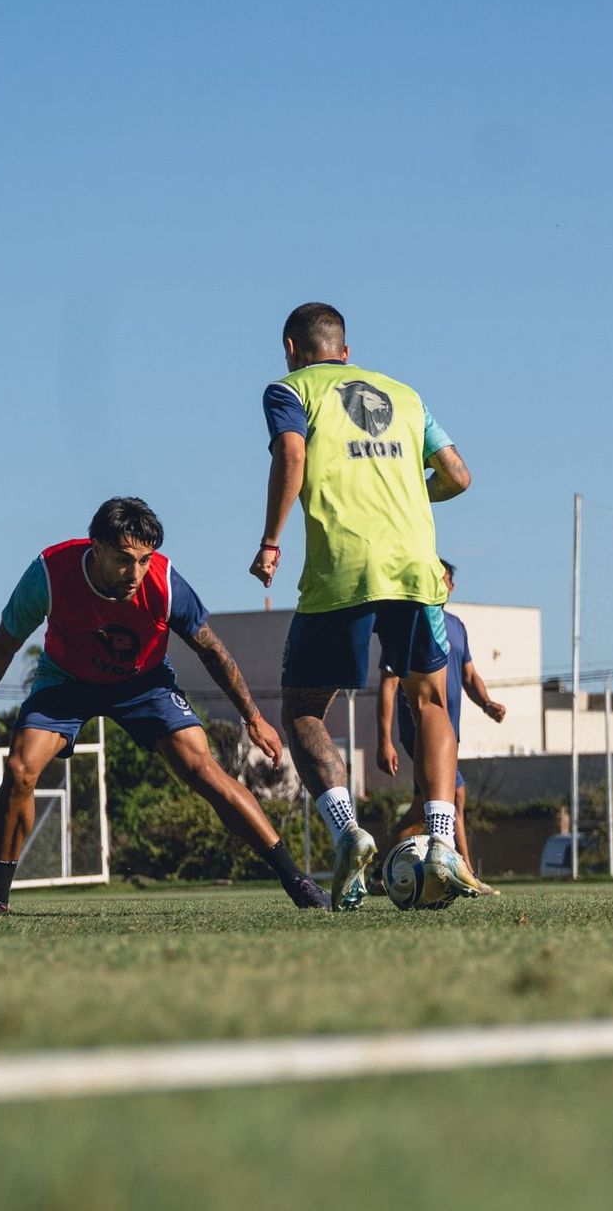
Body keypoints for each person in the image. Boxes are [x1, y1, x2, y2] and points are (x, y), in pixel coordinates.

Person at [0, 497, 329, 913]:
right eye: (123, 560)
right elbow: (1, 648)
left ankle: (299, 883)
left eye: (144, 560)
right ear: (95, 547)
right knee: (20, 768)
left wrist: (253, 717)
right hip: (67, 680)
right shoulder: (49, 574)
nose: (135, 573)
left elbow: (212, 651)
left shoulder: (165, 584)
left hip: (144, 682)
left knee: (202, 769)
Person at [249, 302, 476, 910]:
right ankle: (442, 841)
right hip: (416, 567)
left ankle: (348, 828)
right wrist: (408, 492)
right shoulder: (406, 395)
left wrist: (270, 541)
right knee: (431, 701)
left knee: (303, 710)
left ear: (291, 350)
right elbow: (458, 475)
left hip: (343, 569)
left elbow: (291, 455)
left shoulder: (289, 389)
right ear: (346, 352)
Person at [372, 559, 506, 896]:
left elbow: (470, 676)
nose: (439, 584)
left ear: (451, 586)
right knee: (455, 795)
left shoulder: (457, 626)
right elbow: (388, 685)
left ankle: (379, 873)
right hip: (418, 727)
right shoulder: (410, 620)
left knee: (422, 809)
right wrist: (384, 739)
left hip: (448, 733)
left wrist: (487, 704)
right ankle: (466, 872)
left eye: (444, 579)